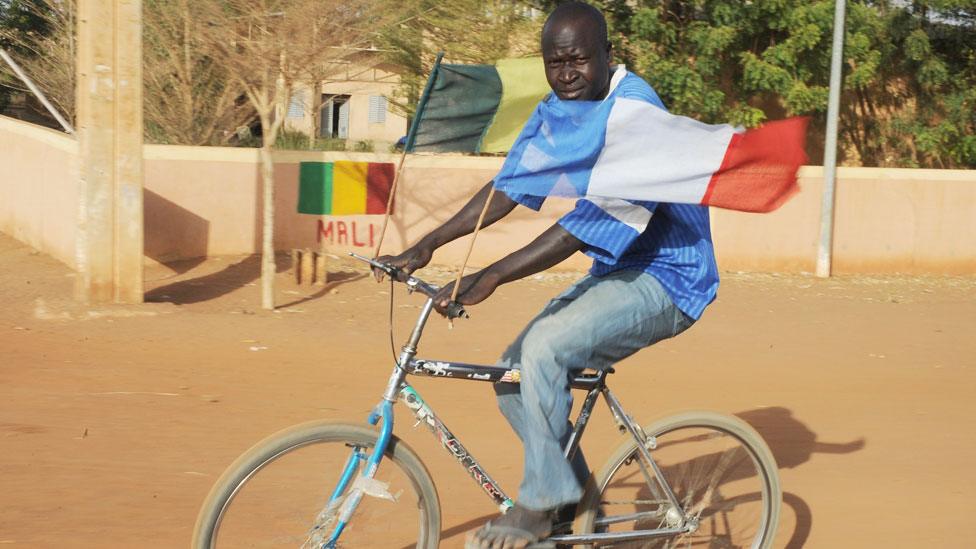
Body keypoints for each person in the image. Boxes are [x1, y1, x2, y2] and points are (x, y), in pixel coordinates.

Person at [375, 3, 719, 547]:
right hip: (617, 269)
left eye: (579, 60)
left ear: (608, 55)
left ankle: (539, 503)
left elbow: (581, 229)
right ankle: (578, 499)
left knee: (546, 349)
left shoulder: (637, 116)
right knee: (512, 374)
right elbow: (509, 186)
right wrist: (424, 246)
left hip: (669, 276)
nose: (565, 74)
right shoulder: (559, 108)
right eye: (554, 63)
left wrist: (490, 276)